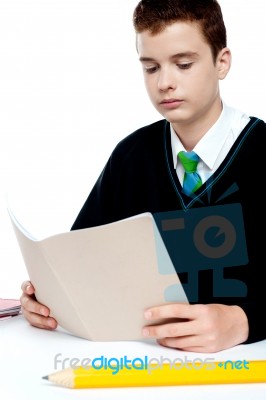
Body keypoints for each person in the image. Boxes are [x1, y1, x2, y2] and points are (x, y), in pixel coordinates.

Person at [20, 0, 266, 353]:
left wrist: (245, 321)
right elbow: (78, 261)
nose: (165, 83)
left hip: (244, 368)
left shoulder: (262, 153)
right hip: (140, 359)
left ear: (222, 62)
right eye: (151, 68)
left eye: (183, 64)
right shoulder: (131, 156)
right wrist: (45, 297)